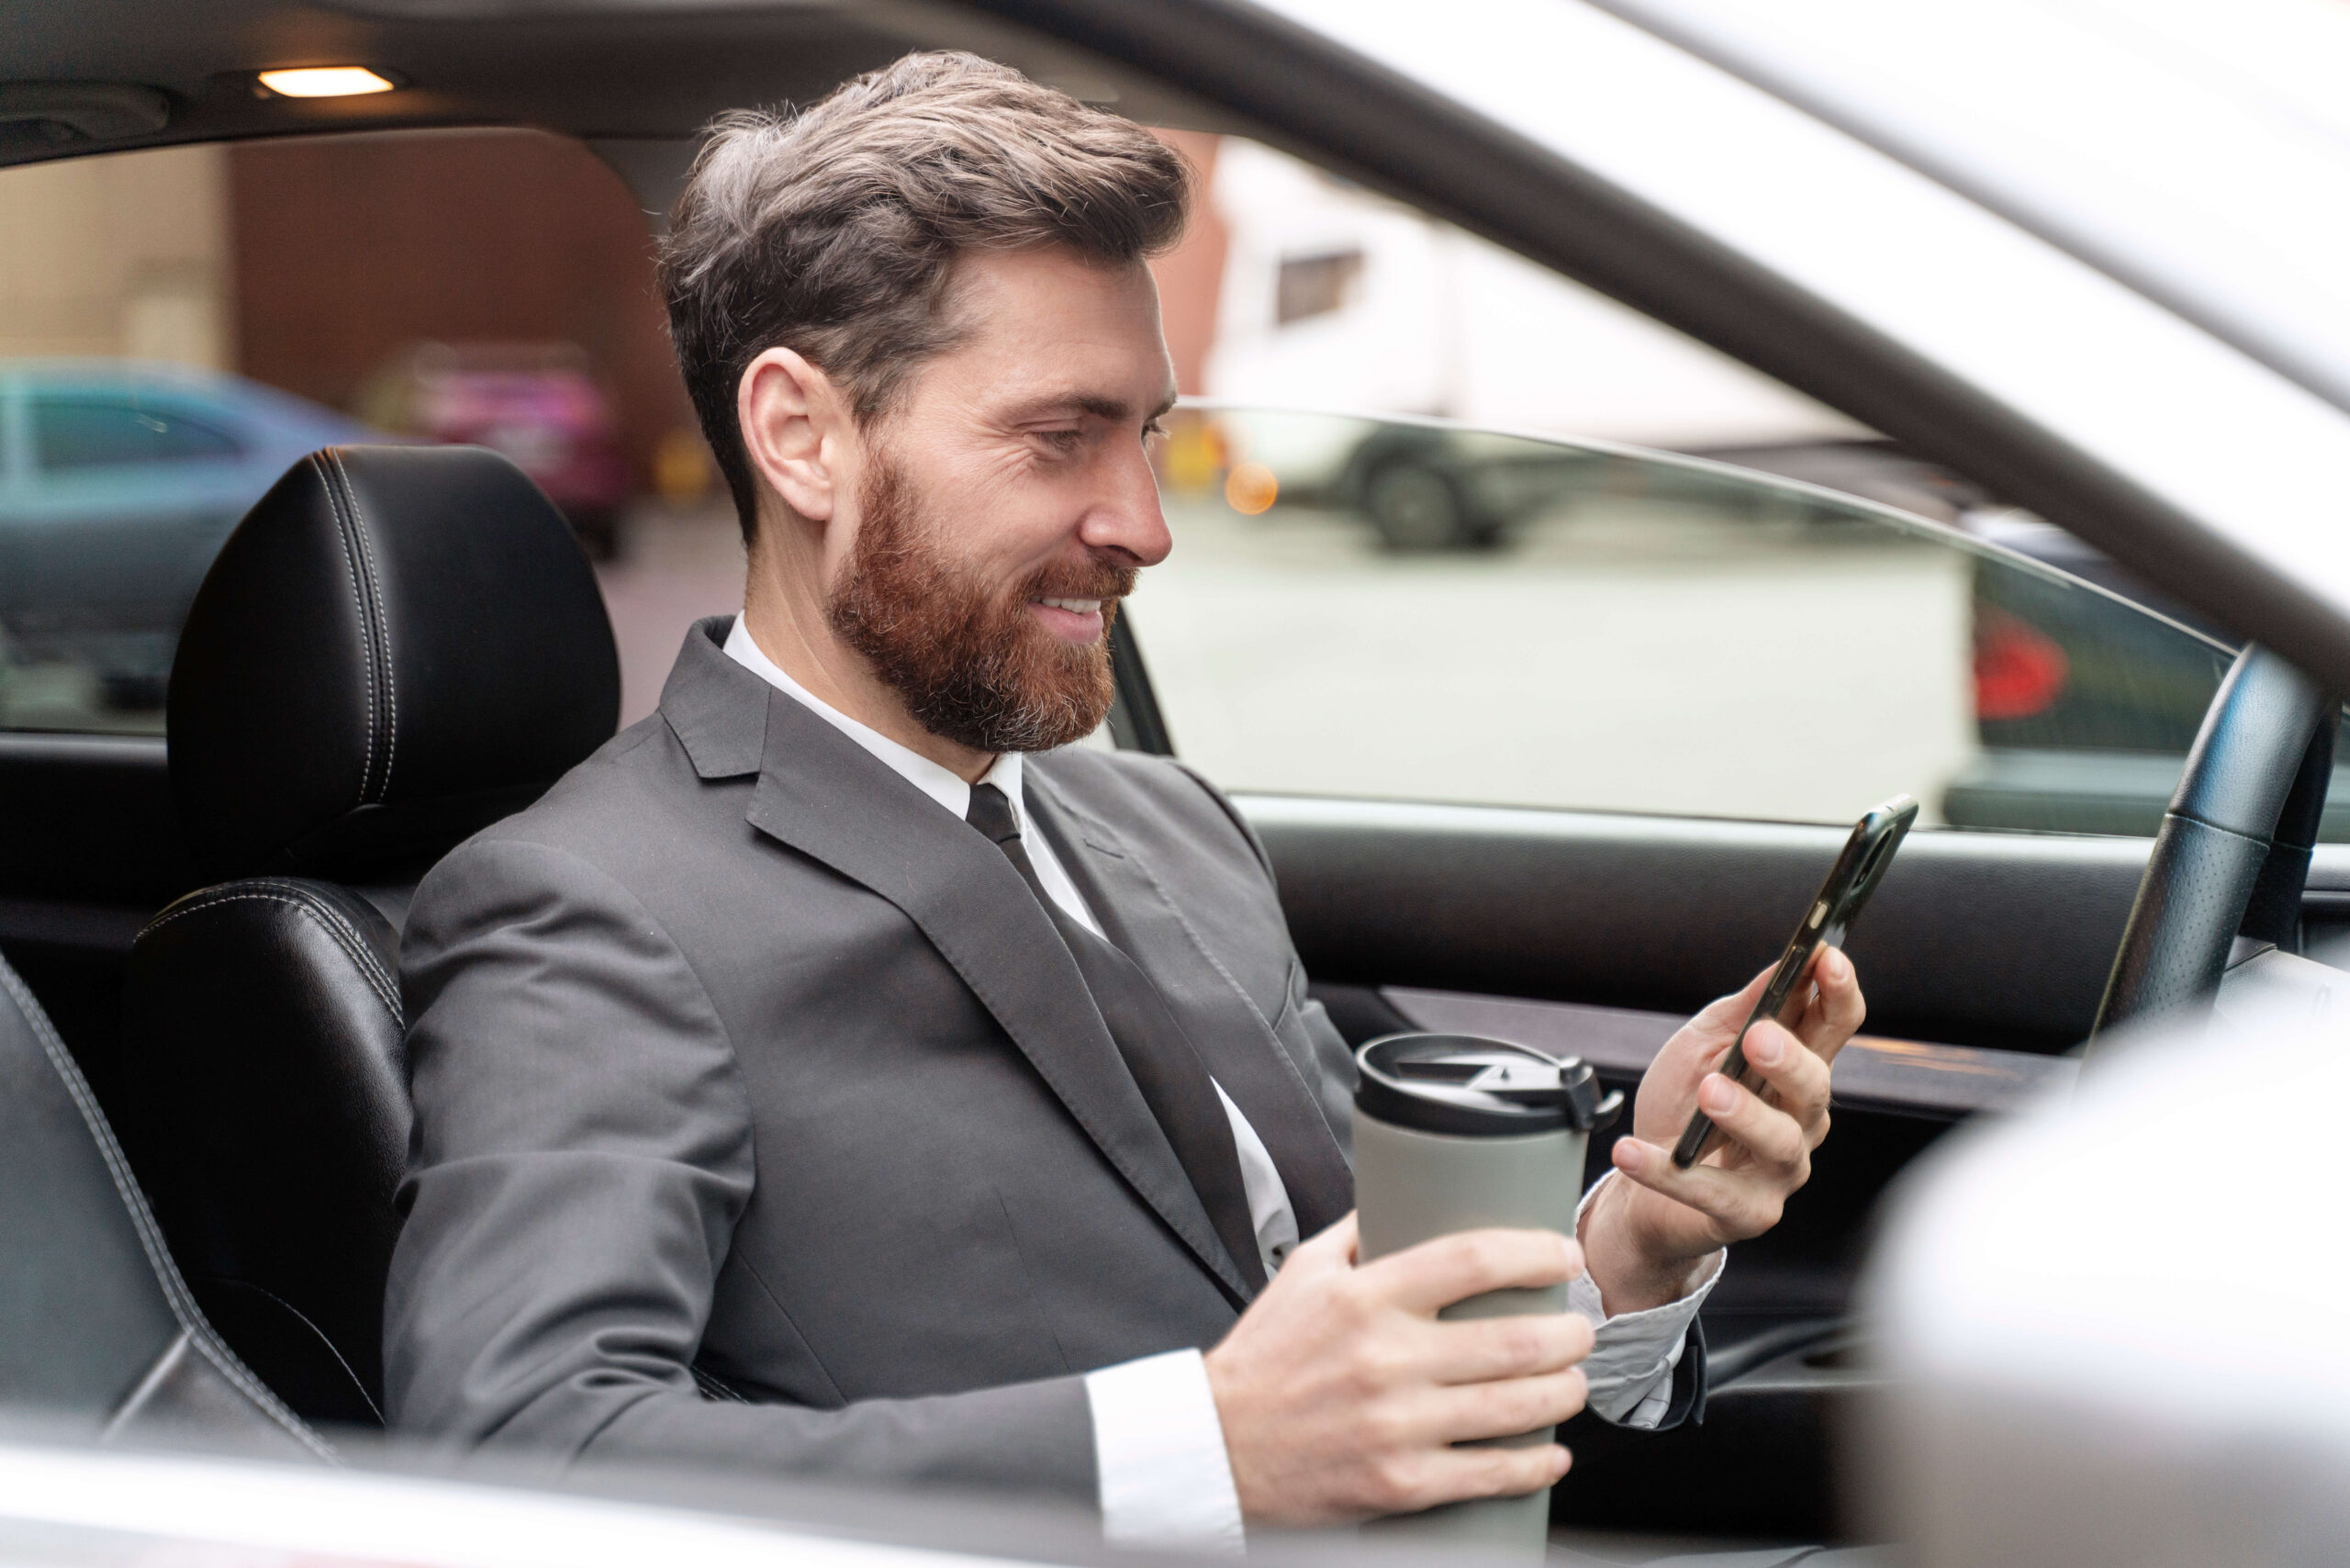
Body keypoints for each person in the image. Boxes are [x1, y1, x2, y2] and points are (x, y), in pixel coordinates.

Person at [383, 51, 1865, 1551]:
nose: (1145, 526)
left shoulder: (1170, 830)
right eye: (1058, 437)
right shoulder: (587, 908)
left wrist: (1632, 1246)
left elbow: (1343, 1331)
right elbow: (514, 1458)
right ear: (804, 436)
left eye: (1147, 432)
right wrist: (1206, 1453)